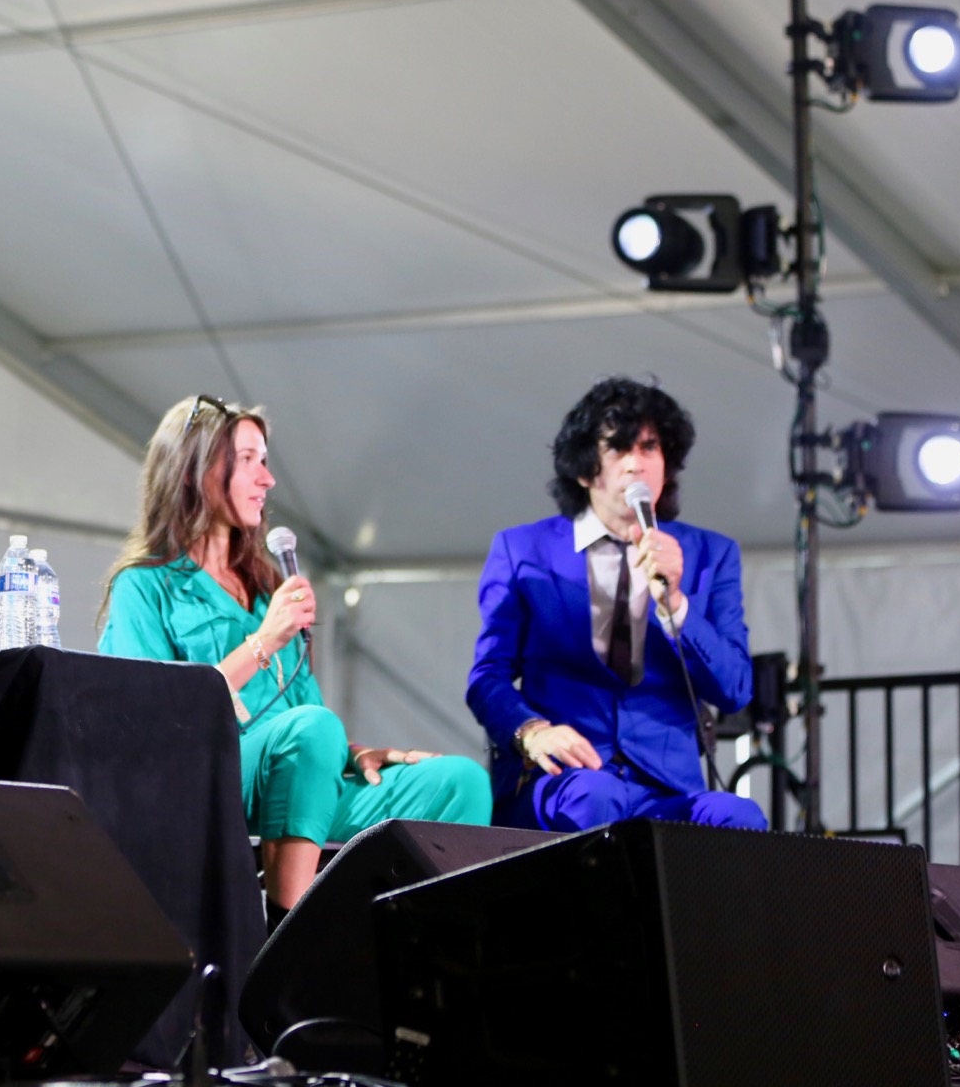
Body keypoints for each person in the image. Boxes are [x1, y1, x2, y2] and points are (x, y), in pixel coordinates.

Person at [98, 394, 490, 918]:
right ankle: (289, 933)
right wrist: (264, 641)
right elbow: (149, 716)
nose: (268, 479)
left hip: (303, 777)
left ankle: (419, 949)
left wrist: (355, 752)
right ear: (194, 471)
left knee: (460, 781)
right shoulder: (144, 586)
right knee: (310, 729)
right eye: (249, 460)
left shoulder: (266, 591)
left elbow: (309, 712)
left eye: (265, 460)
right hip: (208, 777)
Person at [467, 377, 765, 833]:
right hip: (567, 778)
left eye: (649, 448)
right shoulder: (522, 549)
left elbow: (736, 689)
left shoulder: (711, 554)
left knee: (740, 817)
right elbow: (487, 676)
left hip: (668, 787)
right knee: (594, 797)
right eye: (619, 449)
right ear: (585, 469)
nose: (635, 464)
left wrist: (676, 604)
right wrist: (532, 732)